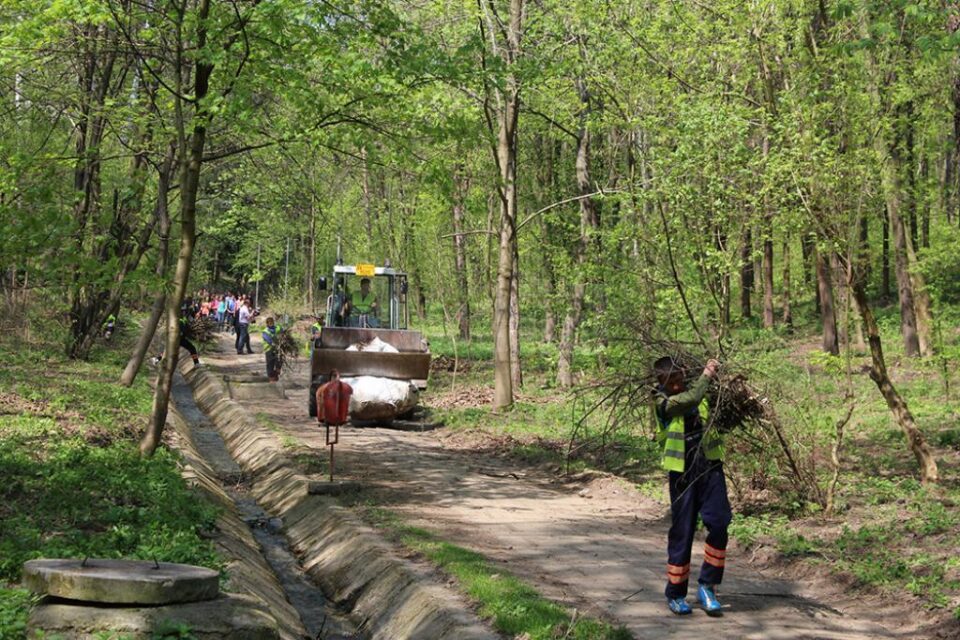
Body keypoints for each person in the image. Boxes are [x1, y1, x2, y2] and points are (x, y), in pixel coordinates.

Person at [653, 356, 729, 616]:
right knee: (683, 531)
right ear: (660, 382)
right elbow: (692, 398)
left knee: (719, 522)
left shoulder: (700, 391)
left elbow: (716, 407)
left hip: (709, 467)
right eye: (669, 382)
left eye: (678, 379)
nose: (675, 386)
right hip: (682, 474)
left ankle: (708, 586)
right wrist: (707, 374)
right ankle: (676, 593)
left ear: (684, 373)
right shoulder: (663, 402)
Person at [262, 317, 282, 382]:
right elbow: (269, 340)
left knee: (279, 362)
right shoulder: (265, 331)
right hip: (269, 350)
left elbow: (282, 331)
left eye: (272, 322)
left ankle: (276, 375)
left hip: (277, 349)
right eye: (270, 323)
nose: (271, 324)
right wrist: (274, 344)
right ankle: (271, 379)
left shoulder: (277, 328)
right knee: (270, 365)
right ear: (267, 324)